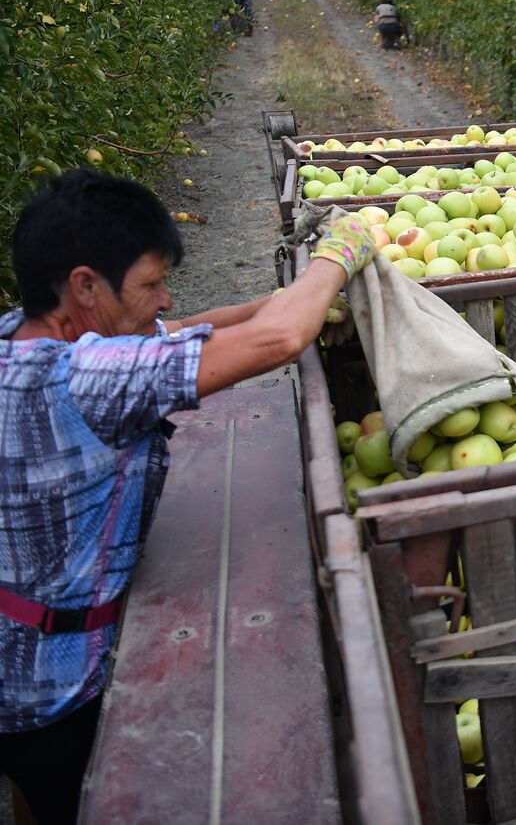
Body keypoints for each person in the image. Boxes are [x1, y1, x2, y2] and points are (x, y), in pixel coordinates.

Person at [0, 169, 376, 824]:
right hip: (52, 688)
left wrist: (284, 298)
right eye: (149, 284)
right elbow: (278, 342)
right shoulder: (84, 379)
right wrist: (339, 253)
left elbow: (183, 334)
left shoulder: (21, 338)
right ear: (85, 286)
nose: (164, 298)